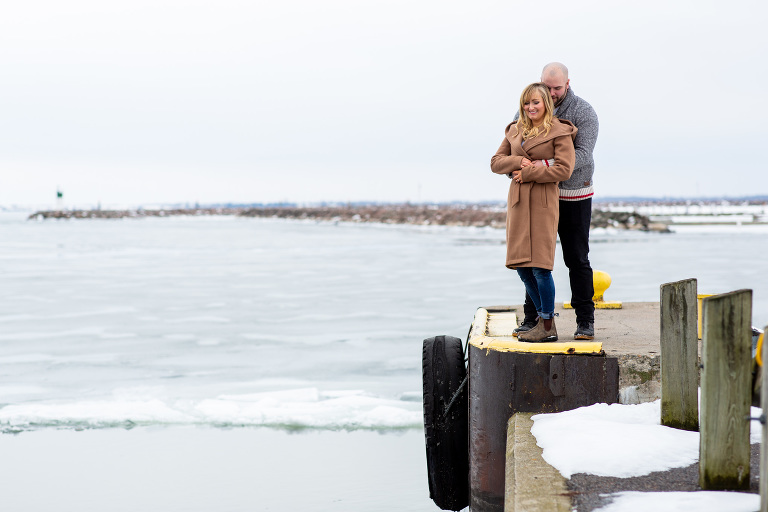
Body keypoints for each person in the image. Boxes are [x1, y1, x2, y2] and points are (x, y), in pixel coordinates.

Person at [512, 63, 600, 340]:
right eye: (546, 87)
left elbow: (582, 154)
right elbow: (514, 150)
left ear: (568, 84)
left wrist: (543, 165)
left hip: (572, 195)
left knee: (577, 258)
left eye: (557, 88)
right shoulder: (529, 109)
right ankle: (533, 318)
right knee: (533, 259)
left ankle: (585, 321)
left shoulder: (584, 112)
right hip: (538, 197)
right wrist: (516, 168)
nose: (551, 93)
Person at [490, 83, 577, 342]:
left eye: (536, 102)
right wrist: (518, 161)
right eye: (526, 103)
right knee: (521, 266)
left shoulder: (560, 131)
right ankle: (543, 321)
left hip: (542, 203)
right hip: (518, 204)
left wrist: (528, 172)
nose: (530, 107)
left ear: (546, 104)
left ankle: (547, 325)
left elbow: (564, 169)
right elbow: (495, 162)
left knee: (540, 267)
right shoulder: (515, 130)